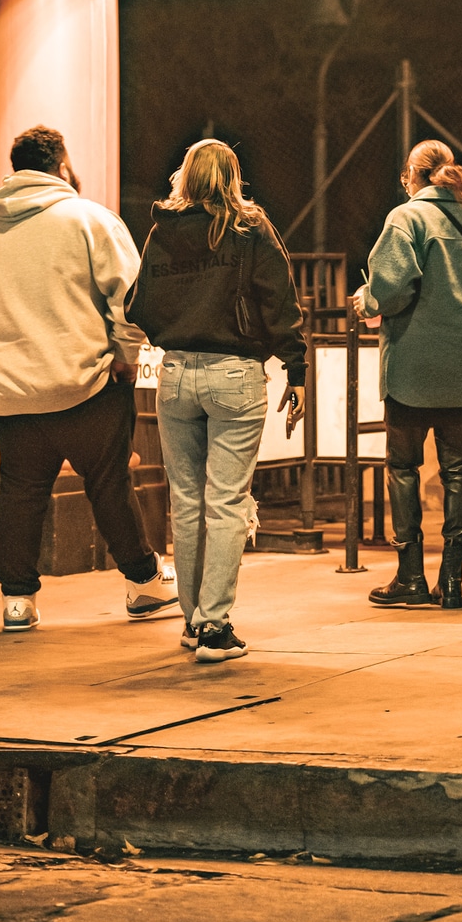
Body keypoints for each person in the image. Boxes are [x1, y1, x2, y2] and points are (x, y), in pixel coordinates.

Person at [0, 123, 176, 634]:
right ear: (62, 165)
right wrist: (126, 352)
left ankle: (17, 601)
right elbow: (131, 298)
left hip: (13, 397)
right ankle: (143, 584)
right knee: (109, 485)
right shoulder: (90, 220)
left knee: (21, 493)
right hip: (87, 384)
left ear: (15, 169)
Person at [131, 139, 306, 665]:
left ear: (184, 175)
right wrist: (295, 368)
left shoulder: (163, 229)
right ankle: (214, 626)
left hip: (177, 374)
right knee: (226, 501)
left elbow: (139, 304)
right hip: (235, 375)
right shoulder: (250, 227)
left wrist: (176, 331)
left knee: (185, 502)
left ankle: (190, 620)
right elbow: (278, 297)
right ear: (233, 176)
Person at [355, 139, 462, 611]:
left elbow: (393, 287)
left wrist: (367, 300)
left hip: (414, 360)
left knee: (403, 467)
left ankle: (410, 577)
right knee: (458, 468)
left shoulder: (406, 218)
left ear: (410, 177)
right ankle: (453, 581)